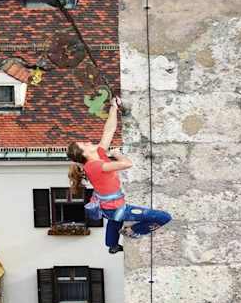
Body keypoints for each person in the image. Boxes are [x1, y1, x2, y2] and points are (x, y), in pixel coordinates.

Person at [68, 98, 171, 254]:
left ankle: (112, 245)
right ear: (84, 154)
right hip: (116, 208)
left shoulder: (99, 156)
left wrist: (113, 108)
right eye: (85, 144)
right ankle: (133, 231)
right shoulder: (94, 166)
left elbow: (108, 130)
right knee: (163, 217)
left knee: (114, 219)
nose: (89, 142)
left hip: (110, 207)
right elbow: (127, 164)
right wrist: (118, 154)